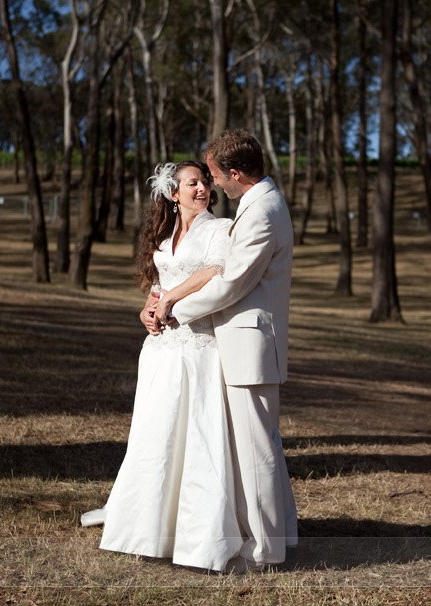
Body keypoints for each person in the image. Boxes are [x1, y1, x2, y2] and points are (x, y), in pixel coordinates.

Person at [81, 161, 242, 573]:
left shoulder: (218, 229)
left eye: (205, 182)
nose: (203, 188)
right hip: (161, 349)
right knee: (156, 432)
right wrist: (149, 308)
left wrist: (170, 299)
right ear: (174, 193)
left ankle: (196, 534)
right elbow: (158, 283)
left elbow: (215, 270)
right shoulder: (167, 236)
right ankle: (144, 525)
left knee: (196, 437)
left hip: (198, 348)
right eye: (193, 183)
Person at [155, 129, 298, 567]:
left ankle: (265, 550)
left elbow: (234, 282)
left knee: (258, 454)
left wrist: (174, 308)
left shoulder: (262, 213)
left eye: (216, 176)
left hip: (250, 348)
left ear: (236, 174)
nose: (213, 185)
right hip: (242, 345)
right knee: (259, 450)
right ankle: (280, 535)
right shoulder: (258, 205)